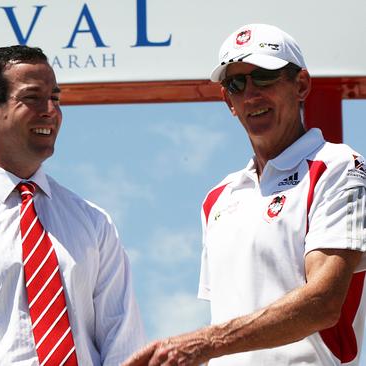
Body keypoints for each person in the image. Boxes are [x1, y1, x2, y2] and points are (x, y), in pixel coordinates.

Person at [124, 23, 366, 366]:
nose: (251, 94)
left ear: (301, 85)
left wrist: (205, 343)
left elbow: (324, 303)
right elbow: (226, 321)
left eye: (264, 76)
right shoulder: (218, 198)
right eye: (236, 84)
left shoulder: (339, 166)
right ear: (228, 101)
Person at [0, 45, 145, 365]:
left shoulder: (94, 223)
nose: (50, 110)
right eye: (32, 98)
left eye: (55, 98)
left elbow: (124, 342)